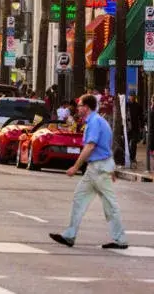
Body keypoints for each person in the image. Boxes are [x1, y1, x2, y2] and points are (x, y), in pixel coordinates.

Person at [49, 94, 128, 250]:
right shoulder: (98, 121)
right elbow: (105, 147)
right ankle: (69, 235)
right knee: (80, 198)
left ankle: (120, 240)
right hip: (97, 168)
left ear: (86, 107)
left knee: (110, 204)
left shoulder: (94, 122)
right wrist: (111, 168)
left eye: (79, 105)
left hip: (98, 169)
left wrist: (75, 167)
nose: (77, 108)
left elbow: (90, 146)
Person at [126, 93, 143, 167]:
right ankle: (127, 157)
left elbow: (141, 117)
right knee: (127, 143)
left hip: (135, 128)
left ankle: (133, 158)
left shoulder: (138, 106)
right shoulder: (126, 105)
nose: (131, 97)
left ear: (135, 97)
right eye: (130, 96)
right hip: (127, 127)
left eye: (133, 96)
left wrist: (142, 126)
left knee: (133, 144)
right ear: (129, 97)